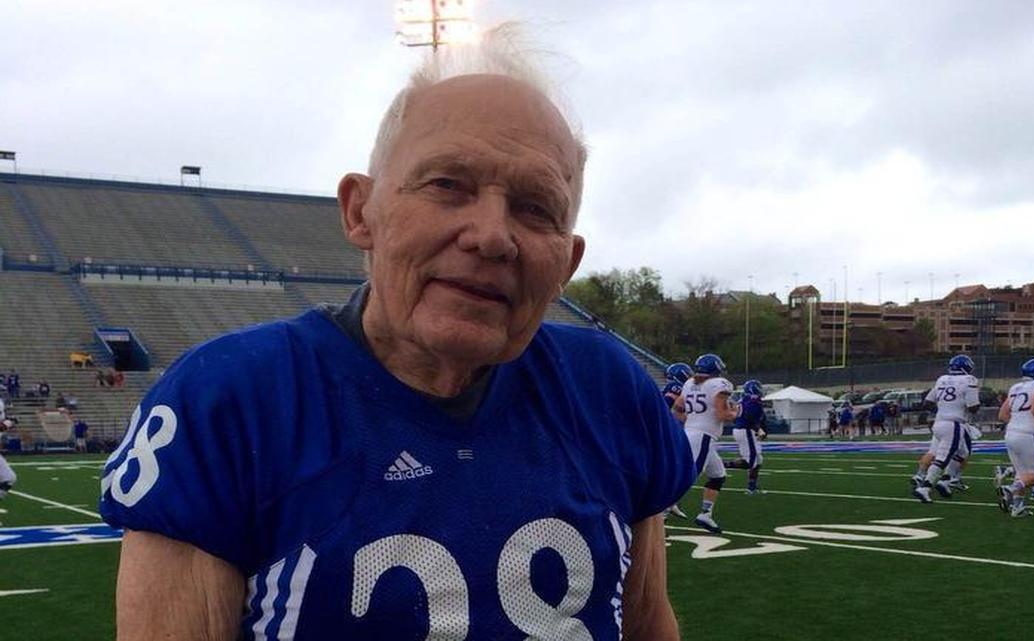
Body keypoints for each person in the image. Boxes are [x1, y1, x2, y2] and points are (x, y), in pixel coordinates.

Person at [100, 27, 695, 641]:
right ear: (361, 211)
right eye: (447, 185)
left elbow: (647, 622)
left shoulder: (608, 389)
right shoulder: (231, 398)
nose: (492, 236)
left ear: (566, 262)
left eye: (536, 207)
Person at [674, 353, 735, 534]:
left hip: (692, 432)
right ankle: (661, 510)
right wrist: (736, 412)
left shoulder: (689, 383)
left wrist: (692, 421)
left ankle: (705, 514)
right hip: (703, 436)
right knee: (688, 475)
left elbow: (677, 408)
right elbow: (722, 415)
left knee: (718, 475)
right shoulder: (719, 384)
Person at [911, 354, 980, 504]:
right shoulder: (969, 380)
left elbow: (927, 402)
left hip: (939, 422)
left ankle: (945, 480)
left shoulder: (942, 379)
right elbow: (973, 407)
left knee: (963, 453)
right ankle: (925, 487)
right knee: (942, 458)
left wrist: (944, 408)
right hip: (954, 424)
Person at [996, 358, 1034, 518]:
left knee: (1022, 472)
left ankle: (1017, 507)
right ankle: (1010, 490)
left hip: (1011, 433)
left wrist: (1018, 424)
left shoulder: (1016, 387)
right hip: (1030, 434)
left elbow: (1002, 415)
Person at [661, 362, 693, 519]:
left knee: (677, 468)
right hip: (670, 431)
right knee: (673, 468)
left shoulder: (680, 387)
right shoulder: (676, 387)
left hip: (674, 430)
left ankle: (671, 504)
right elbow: (665, 406)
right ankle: (664, 507)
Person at [726, 379, 766, 494]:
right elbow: (749, 417)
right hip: (745, 430)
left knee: (758, 460)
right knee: (750, 462)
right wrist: (758, 429)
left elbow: (738, 417)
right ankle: (722, 464)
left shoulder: (744, 400)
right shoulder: (753, 401)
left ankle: (752, 487)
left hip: (743, 429)